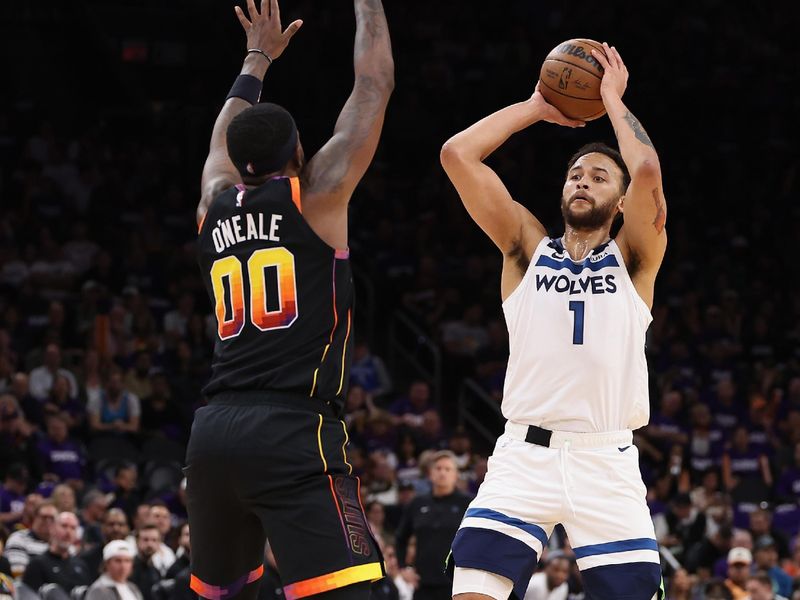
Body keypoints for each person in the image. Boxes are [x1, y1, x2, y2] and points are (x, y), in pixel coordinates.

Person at [441, 42, 667, 600]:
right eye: (575, 173)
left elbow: (644, 167)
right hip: (523, 456)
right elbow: (457, 155)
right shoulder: (525, 250)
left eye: (597, 177)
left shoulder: (634, 259)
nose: (583, 181)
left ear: (620, 203)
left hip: (606, 460)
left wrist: (610, 98)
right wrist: (538, 107)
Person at [187, 0, 393, 597]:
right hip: (292, 428)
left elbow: (221, 139)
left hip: (214, 432)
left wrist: (257, 58)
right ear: (298, 152)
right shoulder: (317, 197)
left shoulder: (213, 202)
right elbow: (374, 86)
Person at [395, 451, 470, 600]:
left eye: (447, 469)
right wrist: (403, 568)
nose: (442, 473)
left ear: (456, 475)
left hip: (456, 585)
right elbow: (400, 538)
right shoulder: (417, 503)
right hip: (423, 584)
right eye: (438, 468)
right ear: (430, 473)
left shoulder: (468, 504)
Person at [22, 511, 91, 594]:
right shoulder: (37, 564)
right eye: (64, 526)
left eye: (73, 528)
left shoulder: (81, 566)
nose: (68, 532)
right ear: (52, 529)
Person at [3, 500, 56, 578]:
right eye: (44, 517)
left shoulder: (61, 544)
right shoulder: (18, 539)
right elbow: (18, 575)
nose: (48, 521)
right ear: (34, 517)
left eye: (52, 518)